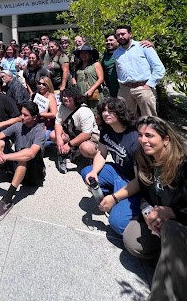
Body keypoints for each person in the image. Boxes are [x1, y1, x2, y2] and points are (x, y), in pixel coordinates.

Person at [114, 117, 187, 301]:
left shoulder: (183, 166)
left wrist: (173, 213)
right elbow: (145, 195)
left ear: (166, 139)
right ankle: (166, 256)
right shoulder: (144, 159)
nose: (143, 140)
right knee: (131, 239)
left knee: (170, 229)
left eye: (149, 135)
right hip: (159, 222)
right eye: (140, 135)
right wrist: (148, 214)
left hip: (180, 224)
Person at [81, 97, 140, 235]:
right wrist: (95, 172)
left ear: (121, 112)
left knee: (117, 224)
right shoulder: (107, 130)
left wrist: (115, 198)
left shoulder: (134, 139)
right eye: (104, 110)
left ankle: (127, 208)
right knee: (87, 173)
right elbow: (101, 153)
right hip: (117, 172)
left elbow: (140, 180)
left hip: (134, 182)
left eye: (111, 110)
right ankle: (112, 198)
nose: (106, 113)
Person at [114, 25, 165, 117]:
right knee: (125, 119)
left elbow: (159, 68)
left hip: (143, 88)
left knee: (149, 118)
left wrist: (149, 84)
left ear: (130, 34)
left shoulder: (144, 47)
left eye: (123, 34)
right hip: (124, 90)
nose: (120, 37)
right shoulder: (116, 53)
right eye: (118, 35)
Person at [51, 86, 99, 173]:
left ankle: (95, 157)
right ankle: (64, 154)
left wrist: (69, 144)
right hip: (72, 133)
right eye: (64, 96)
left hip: (88, 137)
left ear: (75, 97)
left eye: (69, 96)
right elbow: (58, 123)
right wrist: (59, 139)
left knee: (85, 147)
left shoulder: (84, 111)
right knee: (53, 135)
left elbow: (86, 134)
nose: (66, 98)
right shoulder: (62, 107)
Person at [73, 45, 104, 111]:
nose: (83, 55)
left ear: (91, 55)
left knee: (96, 114)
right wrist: (75, 88)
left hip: (94, 94)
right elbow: (74, 78)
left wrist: (91, 90)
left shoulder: (96, 64)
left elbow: (101, 79)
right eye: (81, 53)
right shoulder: (78, 66)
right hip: (81, 94)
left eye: (85, 53)